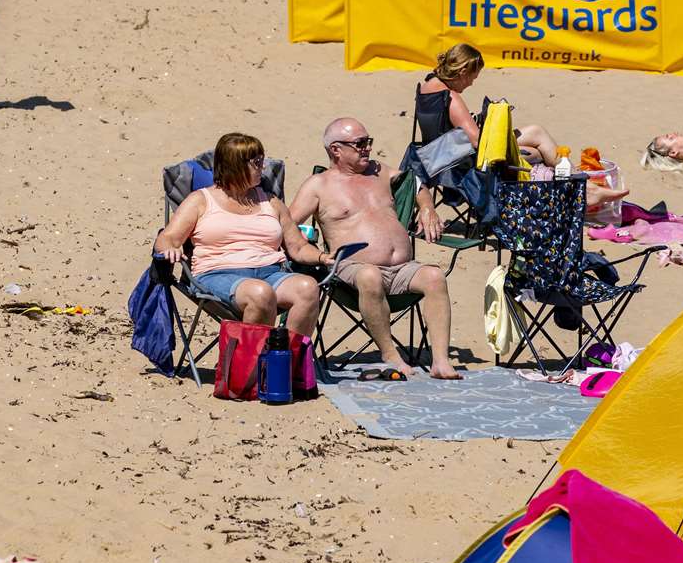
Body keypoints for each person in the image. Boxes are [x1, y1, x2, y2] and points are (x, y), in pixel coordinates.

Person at [289, 118, 459, 380]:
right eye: (360, 144)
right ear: (336, 150)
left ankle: (440, 360)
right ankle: (390, 354)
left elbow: (415, 184)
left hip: (403, 268)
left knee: (434, 276)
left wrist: (427, 207)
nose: (368, 148)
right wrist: (311, 253)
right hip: (351, 269)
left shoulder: (379, 171)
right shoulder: (319, 185)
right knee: (370, 275)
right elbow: (287, 224)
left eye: (369, 142)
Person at [153, 132, 329, 334]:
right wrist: (170, 249)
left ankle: (286, 362)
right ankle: (251, 365)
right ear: (235, 165)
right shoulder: (200, 200)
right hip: (217, 274)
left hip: (271, 272)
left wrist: (323, 258)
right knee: (260, 293)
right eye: (257, 162)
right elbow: (167, 238)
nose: (263, 168)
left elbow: (297, 247)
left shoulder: (271, 201)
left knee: (307, 288)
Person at [416, 43, 562, 166]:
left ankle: (576, 178)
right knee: (536, 148)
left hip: (434, 154)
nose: (471, 84)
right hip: (458, 165)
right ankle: (577, 181)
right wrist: (494, 123)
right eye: (472, 78)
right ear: (463, 72)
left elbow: (442, 128)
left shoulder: (427, 86)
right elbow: (478, 142)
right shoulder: (450, 98)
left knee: (536, 132)